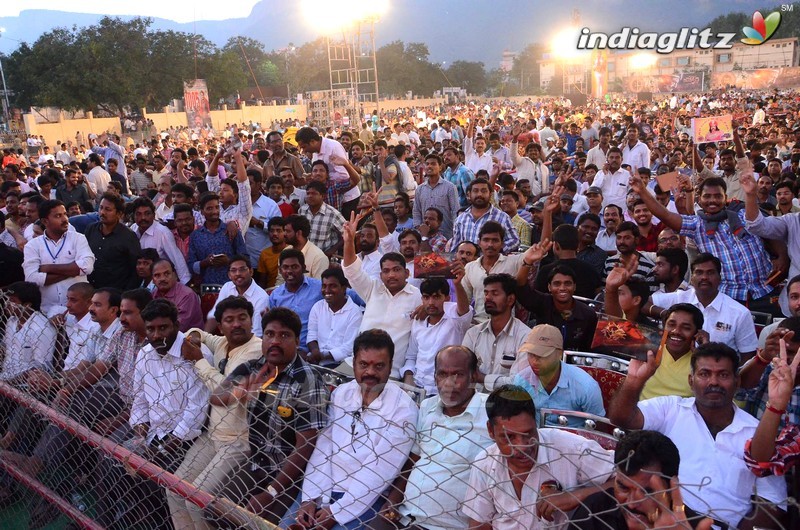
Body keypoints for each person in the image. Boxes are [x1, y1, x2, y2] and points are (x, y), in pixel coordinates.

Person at [608, 343, 787, 529]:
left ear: (737, 381)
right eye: (704, 374)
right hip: (661, 520)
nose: (714, 382)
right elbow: (622, 418)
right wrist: (634, 381)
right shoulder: (671, 409)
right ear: (691, 381)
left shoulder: (758, 432)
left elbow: (772, 502)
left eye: (723, 375)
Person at [94, 299, 211, 530]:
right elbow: (140, 401)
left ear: (176, 325)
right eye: (151, 329)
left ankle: (151, 522)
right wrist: (140, 438)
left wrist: (160, 450)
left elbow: (195, 412)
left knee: (154, 475)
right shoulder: (146, 353)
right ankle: (108, 523)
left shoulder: (195, 353)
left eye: (163, 328)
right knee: (109, 461)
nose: (157, 335)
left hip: (187, 440)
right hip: (152, 436)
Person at [295, 330, 418, 530]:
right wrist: (310, 497)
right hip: (325, 487)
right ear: (353, 364)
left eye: (379, 366)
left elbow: (379, 470)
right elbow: (324, 447)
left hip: (368, 498)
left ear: (390, 366)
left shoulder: (403, 409)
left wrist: (335, 512)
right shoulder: (343, 393)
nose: (370, 372)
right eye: (363, 364)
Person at [167, 296, 263, 530]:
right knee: (173, 490)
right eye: (229, 320)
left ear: (252, 320)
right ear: (221, 325)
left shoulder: (256, 350)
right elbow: (197, 332)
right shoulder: (222, 343)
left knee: (196, 502)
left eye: (242, 318)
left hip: (237, 441)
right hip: (211, 436)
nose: (237, 324)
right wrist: (195, 337)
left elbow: (224, 392)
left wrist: (199, 360)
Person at [462, 385, 615, 529]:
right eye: (509, 437)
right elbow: (479, 525)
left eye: (528, 433)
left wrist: (574, 497)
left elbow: (627, 479)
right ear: (490, 431)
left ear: (535, 423)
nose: (522, 446)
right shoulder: (485, 463)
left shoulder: (571, 449)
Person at [377, 345, 494, 530]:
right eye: (443, 374)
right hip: (408, 518)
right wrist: (393, 500)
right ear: (435, 377)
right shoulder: (427, 407)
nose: (449, 383)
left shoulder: (491, 412)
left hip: (453, 526)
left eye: (458, 375)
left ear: (473, 377)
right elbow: (413, 460)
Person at [631, 172, 776, 308]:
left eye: (718, 196)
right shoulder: (696, 224)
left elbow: (771, 231)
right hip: (728, 298)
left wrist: (780, 256)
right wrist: (642, 191)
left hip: (764, 291)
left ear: (725, 197)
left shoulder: (743, 214)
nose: (712, 200)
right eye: (707, 196)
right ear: (699, 199)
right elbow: (666, 216)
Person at [568, 430, 712, 530]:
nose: (631, 504)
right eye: (623, 487)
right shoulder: (597, 508)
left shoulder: (693, 526)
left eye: (647, 491)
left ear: (671, 487)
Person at [342, 212, 422, 379]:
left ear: (407, 273)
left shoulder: (418, 297)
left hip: (389, 372)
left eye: (396, 270)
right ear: (380, 274)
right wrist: (349, 241)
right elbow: (351, 269)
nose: (391, 275)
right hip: (355, 365)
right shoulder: (372, 288)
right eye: (386, 271)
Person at [647, 253, 758, 359]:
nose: (704, 277)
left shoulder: (740, 313)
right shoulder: (679, 298)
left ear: (719, 278)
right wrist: (664, 313)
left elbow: (748, 357)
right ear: (691, 278)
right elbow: (641, 302)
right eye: (699, 272)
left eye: (710, 273)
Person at [511, 324, 605, 427]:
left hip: (575, 441)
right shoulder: (521, 381)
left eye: (542, 355)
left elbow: (598, 427)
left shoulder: (586, 387)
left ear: (559, 354)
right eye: (531, 354)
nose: (534, 361)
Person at [516, 240, 598, 352]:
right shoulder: (542, 303)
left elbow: (589, 350)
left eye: (567, 283)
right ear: (549, 287)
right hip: (543, 361)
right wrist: (528, 262)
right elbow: (520, 287)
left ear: (574, 287)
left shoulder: (588, 314)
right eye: (557, 283)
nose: (562, 288)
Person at [403, 274, 473, 395]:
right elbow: (411, 356)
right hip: (416, 388)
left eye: (436, 297)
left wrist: (457, 284)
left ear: (447, 298)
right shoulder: (418, 321)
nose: (431, 302)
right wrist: (408, 377)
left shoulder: (455, 320)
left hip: (445, 391)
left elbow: (464, 311)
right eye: (426, 297)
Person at [23, 199, 95, 316]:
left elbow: (87, 267)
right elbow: (32, 279)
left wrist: (48, 268)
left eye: (65, 214)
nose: (65, 219)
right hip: (48, 311)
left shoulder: (78, 238)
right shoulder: (33, 245)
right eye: (58, 216)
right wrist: (73, 270)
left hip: (80, 313)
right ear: (45, 221)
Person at [463, 273, 531, 391]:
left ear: (510, 299)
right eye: (486, 293)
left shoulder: (525, 336)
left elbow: (519, 383)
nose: (488, 297)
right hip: (474, 404)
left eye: (495, 293)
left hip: (508, 404)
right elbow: (463, 372)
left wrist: (482, 378)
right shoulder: (473, 334)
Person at [462, 221, 526, 323]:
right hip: (478, 325)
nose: (490, 244)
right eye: (486, 240)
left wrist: (547, 212)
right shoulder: (470, 268)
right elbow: (465, 302)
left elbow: (541, 249)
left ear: (502, 244)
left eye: (495, 240)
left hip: (506, 326)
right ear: (479, 243)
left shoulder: (513, 262)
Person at [306, 267, 363, 367]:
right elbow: (312, 333)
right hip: (316, 360)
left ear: (344, 288)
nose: (327, 290)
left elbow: (348, 348)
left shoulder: (355, 312)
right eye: (324, 286)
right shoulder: (317, 307)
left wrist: (322, 356)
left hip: (341, 364)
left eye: (333, 286)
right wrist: (315, 351)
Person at [84, 192, 141, 290]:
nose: (102, 212)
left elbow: (135, 270)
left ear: (119, 214)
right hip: (91, 290)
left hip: (115, 293)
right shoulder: (91, 229)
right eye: (101, 208)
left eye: (108, 209)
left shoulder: (128, 236)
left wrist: (125, 295)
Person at [268, 248, 323, 349]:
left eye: (294, 267)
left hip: (314, 351)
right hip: (285, 349)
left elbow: (352, 295)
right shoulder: (275, 296)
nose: (289, 271)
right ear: (280, 270)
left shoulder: (320, 288)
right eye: (285, 267)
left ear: (303, 268)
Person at [188, 192, 246, 286]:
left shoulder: (231, 230)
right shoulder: (195, 236)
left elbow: (245, 257)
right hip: (207, 287)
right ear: (202, 211)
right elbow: (191, 265)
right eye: (209, 208)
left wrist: (229, 261)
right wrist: (205, 263)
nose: (214, 211)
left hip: (231, 286)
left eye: (216, 207)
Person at [130, 197, 191, 285]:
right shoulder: (133, 229)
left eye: (147, 214)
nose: (143, 217)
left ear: (154, 215)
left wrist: (186, 285)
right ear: (134, 216)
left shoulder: (162, 232)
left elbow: (177, 259)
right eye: (138, 214)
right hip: (138, 282)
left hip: (160, 283)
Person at [451, 178, 519, 254]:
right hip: (467, 265)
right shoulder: (461, 219)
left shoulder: (502, 217)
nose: (479, 194)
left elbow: (514, 240)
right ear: (469, 195)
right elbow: (455, 247)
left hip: (493, 264)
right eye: (475, 191)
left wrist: (496, 249)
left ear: (490, 194)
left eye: (484, 191)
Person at [206, 255, 269, 337]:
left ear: (251, 272)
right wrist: (204, 338)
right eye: (233, 270)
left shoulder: (261, 297)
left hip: (250, 343)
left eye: (242, 269)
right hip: (228, 338)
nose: (238, 274)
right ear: (229, 275)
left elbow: (257, 333)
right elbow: (214, 316)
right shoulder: (227, 287)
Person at [411, 152, 459, 239]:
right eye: (427, 164)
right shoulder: (420, 189)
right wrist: (419, 229)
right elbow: (416, 211)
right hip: (426, 236)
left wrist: (456, 233)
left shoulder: (450, 187)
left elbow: (455, 211)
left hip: (446, 235)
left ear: (440, 167)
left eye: (433, 164)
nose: (429, 166)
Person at [152, 259, 204, 332]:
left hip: (188, 340)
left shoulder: (187, 295)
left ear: (175, 275)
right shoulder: (153, 295)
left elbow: (178, 327)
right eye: (157, 275)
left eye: (167, 274)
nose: (162, 279)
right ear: (153, 280)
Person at [299, 180, 346, 253]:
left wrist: (331, 251)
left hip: (325, 257)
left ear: (322, 196)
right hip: (304, 255)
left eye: (314, 193)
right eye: (308, 193)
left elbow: (347, 235)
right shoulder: (302, 210)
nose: (310, 196)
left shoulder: (333, 214)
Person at [284, 214, 330, 279]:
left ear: (299, 233)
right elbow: (280, 281)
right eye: (284, 230)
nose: (284, 234)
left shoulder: (318, 257)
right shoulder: (286, 251)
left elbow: (318, 286)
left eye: (288, 231)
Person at [256, 216, 289, 289]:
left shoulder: (291, 251)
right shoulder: (264, 253)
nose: (274, 234)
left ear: (285, 233)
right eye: (272, 231)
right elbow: (262, 281)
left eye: (278, 231)